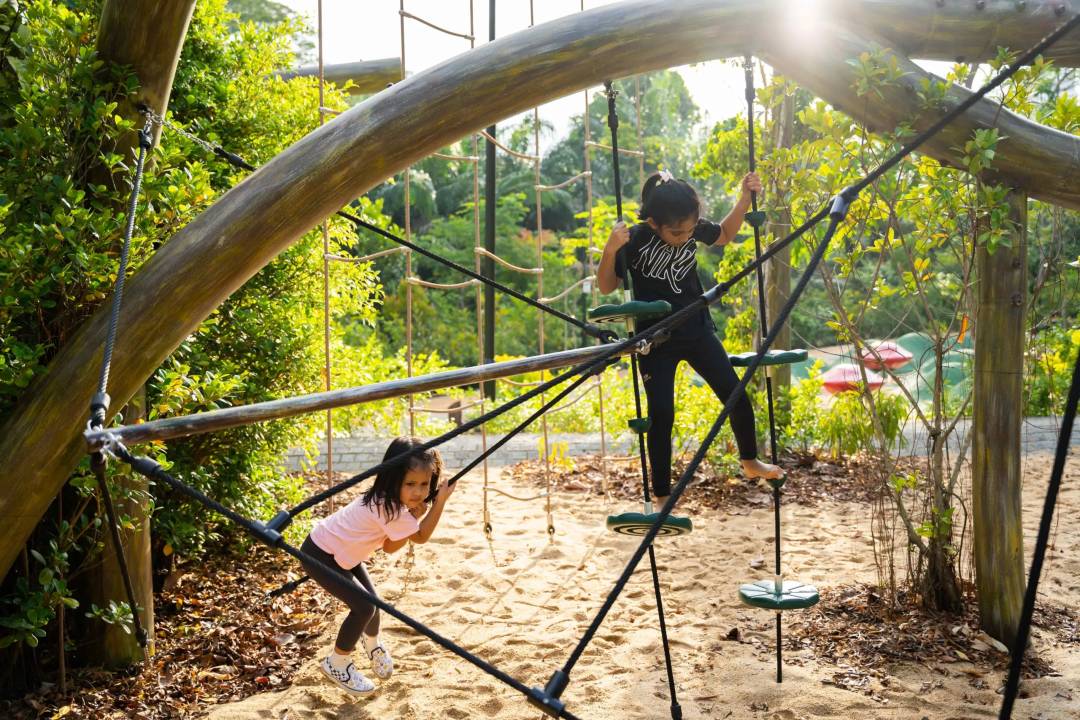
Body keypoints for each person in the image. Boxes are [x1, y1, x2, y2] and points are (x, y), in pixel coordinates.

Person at [596, 169, 782, 505]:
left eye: (690, 230)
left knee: (735, 393)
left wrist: (743, 199)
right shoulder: (636, 238)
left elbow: (724, 234)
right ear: (653, 223)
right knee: (662, 413)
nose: (685, 237)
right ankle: (663, 493)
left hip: (697, 329)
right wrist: (610, 250)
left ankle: (750, 460)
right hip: (656, 340)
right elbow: (606, 286)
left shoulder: (691, 226)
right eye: (677, 232)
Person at [299, 436, 455, 695]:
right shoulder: (388, 507)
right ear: (393, 480)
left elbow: (391, 546)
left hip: (341, 553)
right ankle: (337, 663)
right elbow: (421, 538)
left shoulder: (392, 502)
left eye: (425, 484)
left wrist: (414, 517)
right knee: (364, 607)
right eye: (410, 484)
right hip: (321, 554)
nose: (418, 492)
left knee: (373, 603)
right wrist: (439, 504)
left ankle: (372, 644)